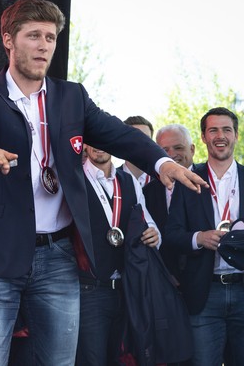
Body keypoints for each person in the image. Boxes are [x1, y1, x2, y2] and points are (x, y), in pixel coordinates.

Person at [0, 0, 206, 365]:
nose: (43, 45)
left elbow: (119, 134)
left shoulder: (71, 96)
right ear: (8, 40)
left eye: (51, 38)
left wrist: (160, 162)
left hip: (57, 257)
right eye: (33, 35)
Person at [164, 107, 244, 366]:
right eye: (213, 130)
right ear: (203, 137)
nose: (220, 136)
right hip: (204, 293)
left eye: (226, 130)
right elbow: (172, 235)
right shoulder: (187, 181)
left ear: (236, 136)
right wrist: (198, 238)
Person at [76, 144, 160, 365]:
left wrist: (154, 234)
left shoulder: (129, 181)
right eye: (91, 140)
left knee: (122, 359)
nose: (98, 146)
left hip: (126, 287)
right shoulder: (74, 177)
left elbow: (148, 222)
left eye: (103, 140)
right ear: (83, 145)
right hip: (89, 289)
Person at [143, 124, 196, 282]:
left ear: (192, 149)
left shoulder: (209, 183)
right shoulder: (147, 192)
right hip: (164, 280)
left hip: (206, 281)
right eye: (164, 150)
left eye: (178, 147)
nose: (171, 155)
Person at [121, 116, 155, 187]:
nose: (141, 144)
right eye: (135, 138)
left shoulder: (162, 181)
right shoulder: (110, 179)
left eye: (146, 139)